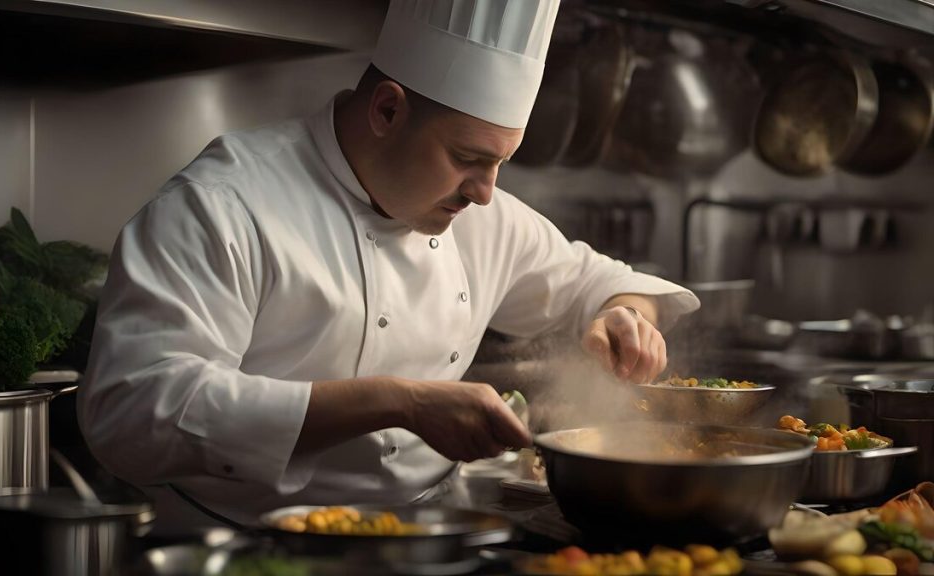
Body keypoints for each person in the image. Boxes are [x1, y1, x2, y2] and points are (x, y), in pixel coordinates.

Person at [78, 0, 700, 533]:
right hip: (248, 545)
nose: (485, 193)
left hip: (433, 537)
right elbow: (131, 411)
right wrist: (396, 402)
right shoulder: (223, 206)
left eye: (500, 164)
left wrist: (625, 315)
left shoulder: (484, 220)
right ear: (386, 111)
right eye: (468, 158)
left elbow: (600, 281)